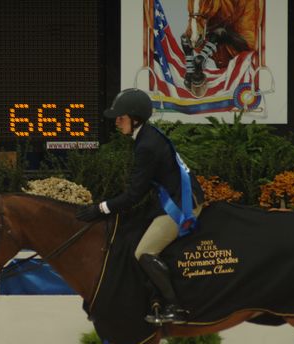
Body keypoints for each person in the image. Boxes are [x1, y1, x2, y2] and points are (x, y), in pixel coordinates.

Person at [76, 88, 204, 324]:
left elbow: (133, 195)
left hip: (182, 205)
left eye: (121, 117)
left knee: (144, 252)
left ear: (135, 119)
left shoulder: (146, 146)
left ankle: (175, 307)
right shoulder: (147, 136)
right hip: (171, 197)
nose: (116, 122)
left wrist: (100, 208)